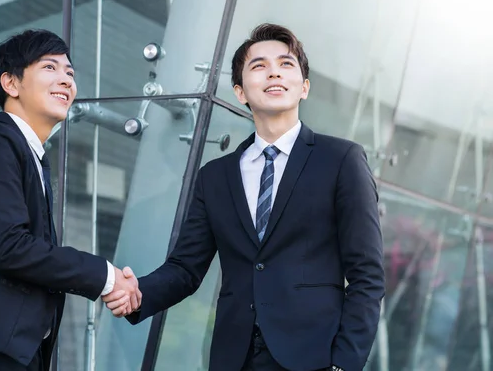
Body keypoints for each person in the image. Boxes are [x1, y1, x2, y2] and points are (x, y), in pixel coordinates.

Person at [103, 23, 385, 371]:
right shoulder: (216, 176)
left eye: (286, 64)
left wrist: (346, 363)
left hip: (316, 359)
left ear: (304, 87)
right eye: (259, 66)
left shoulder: (341, 160)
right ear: (240, 92)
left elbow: (367, 274)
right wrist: (137, 293)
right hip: (234, 358)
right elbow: (186, 268)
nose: (273, 73)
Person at [0, 29, 140, 371]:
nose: (66, 80)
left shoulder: (29, 154)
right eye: (50, 68)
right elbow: (10, 246)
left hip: (10, 351)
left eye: (70, 72)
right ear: (11, 83)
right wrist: (105, 276)